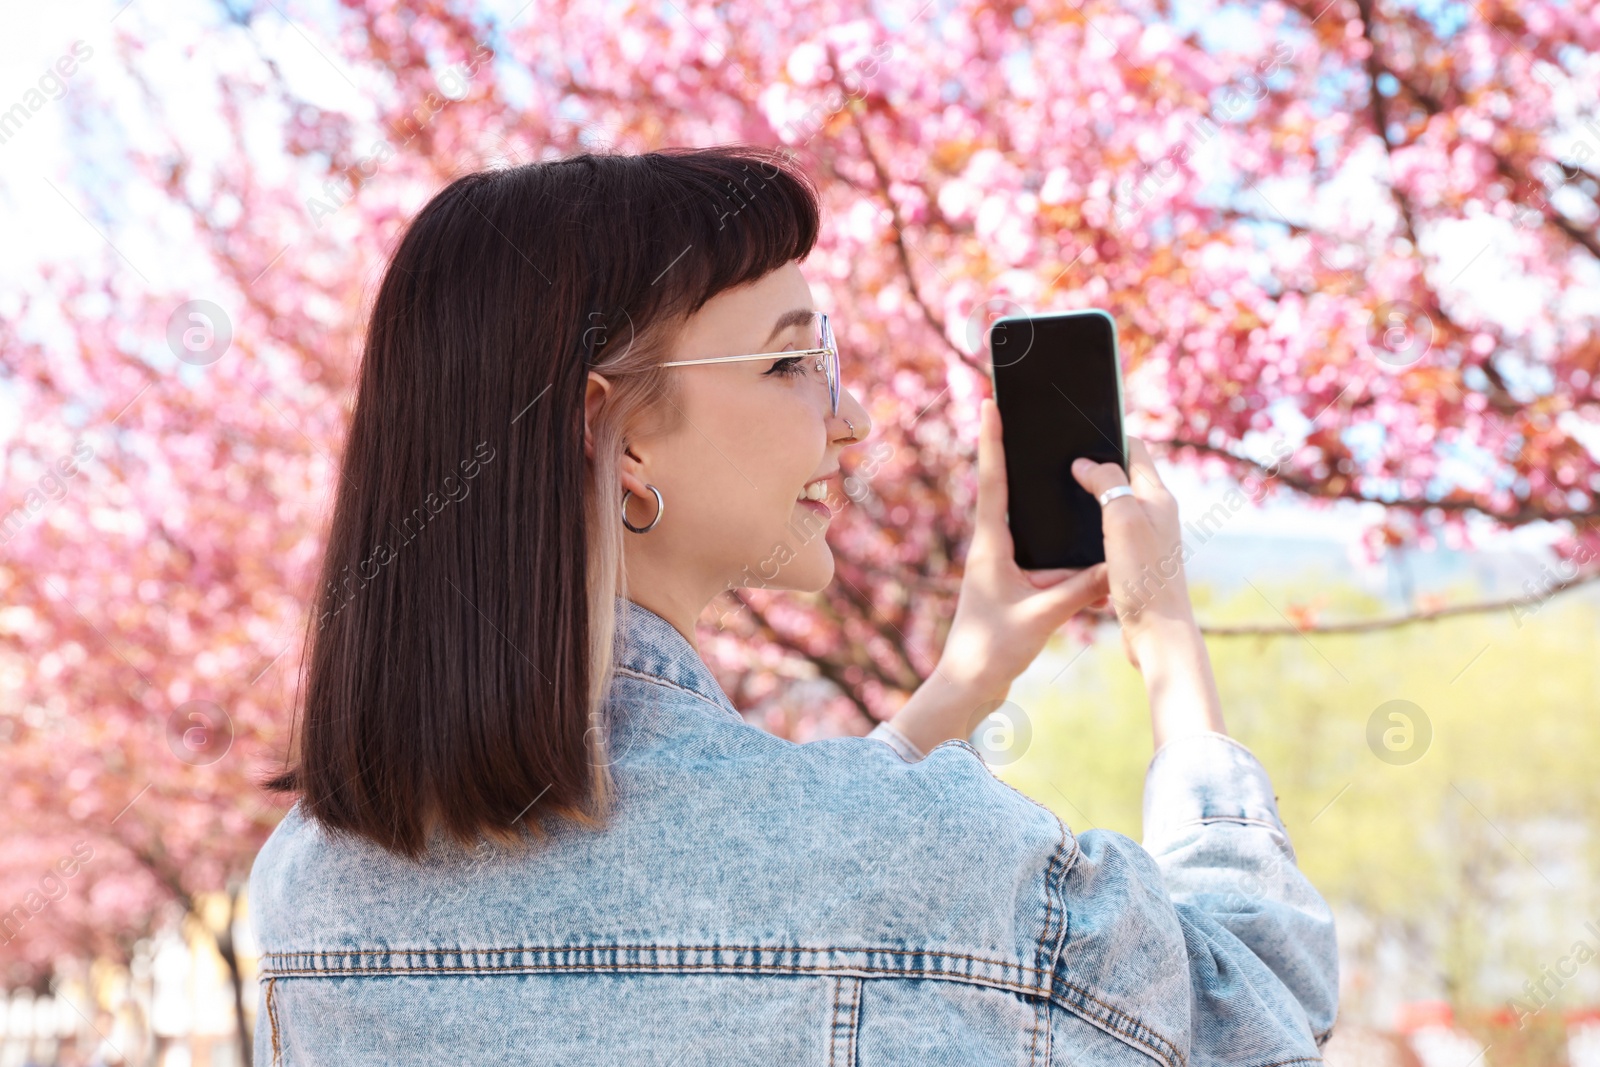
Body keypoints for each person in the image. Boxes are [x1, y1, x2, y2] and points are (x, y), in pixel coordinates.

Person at [250, 145, 1337, 1065]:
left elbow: (756, 870)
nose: (852, 415)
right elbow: (1252, 1004)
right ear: (616, 434)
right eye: (791, 360)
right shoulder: (909, 849)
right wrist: (1168, 646)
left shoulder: (306, 884)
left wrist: (963, 683)